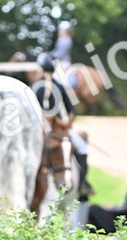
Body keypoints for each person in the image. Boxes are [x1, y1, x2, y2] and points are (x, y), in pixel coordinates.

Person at [32, 52, 92, 201]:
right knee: (82, 148)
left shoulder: (33, 86)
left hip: (39, 129)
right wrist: (65, 124)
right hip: (55, 130)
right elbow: (71, 111)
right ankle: (83, 183)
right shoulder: (59, 86)